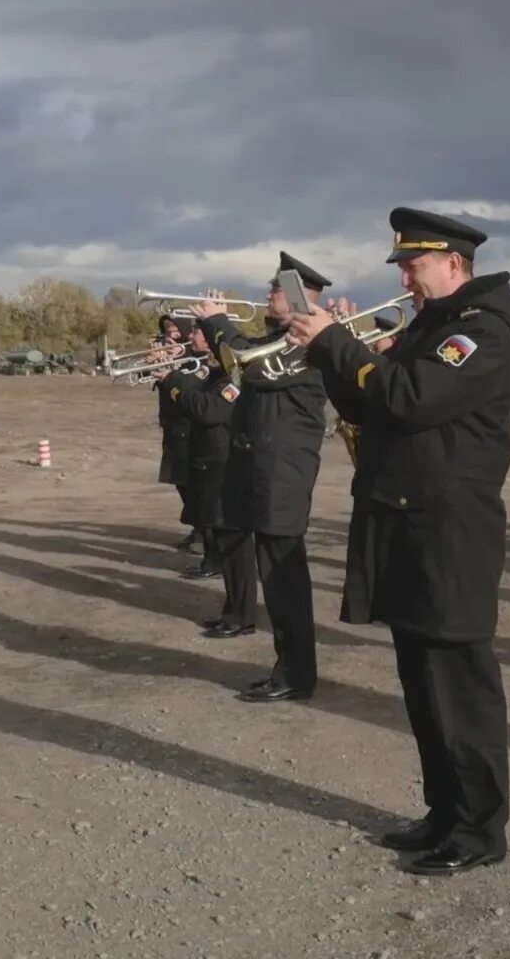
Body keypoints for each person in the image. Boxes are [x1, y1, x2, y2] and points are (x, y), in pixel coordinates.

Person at [285, 206, 510, 876]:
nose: (407, 280)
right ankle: (445, 813)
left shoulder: (481, 332)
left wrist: (339, 342)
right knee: (423, 683)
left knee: (459, 686)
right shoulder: (437, 324)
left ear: (453, 263)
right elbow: (369, 402)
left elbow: (409, 398)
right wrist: (332, 351)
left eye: (414, 266)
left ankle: (480, 830)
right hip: (411, 520)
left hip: (450, 531)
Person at [192, 254, 330, 704]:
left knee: (285, 581)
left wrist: (215, 324)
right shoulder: (282, 338)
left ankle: (296, 673)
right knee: (276, 578)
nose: (267, 294)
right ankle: (288, 667)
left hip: (284, 473)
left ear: (296, 298)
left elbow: (249, 367)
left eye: (276, 289)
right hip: (264, 468)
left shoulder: (305, 344)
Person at [165, 323, 235, 593]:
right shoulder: (210, 369)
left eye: (196, 332)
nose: (189, 337)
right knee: (204, 509)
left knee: (215, 513)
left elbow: (207, 410)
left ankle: (216, 561)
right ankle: (211, 558)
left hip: (219, 451)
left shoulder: (231, 377)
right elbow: (191, 389)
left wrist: (172, 382)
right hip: (202, 448)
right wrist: (171, 376)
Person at [150, 317, 203, 556]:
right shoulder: (174, 354)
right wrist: (159, 365)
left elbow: (196, 384)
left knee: (194, 484)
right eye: (167, 330)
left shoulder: (197, 355)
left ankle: (204, 532)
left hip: (191, 425)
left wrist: (177, 364)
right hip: (171, 423)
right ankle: (197, 527)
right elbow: (163, 386)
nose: (171, 334)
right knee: (179, 480)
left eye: (175, 329)